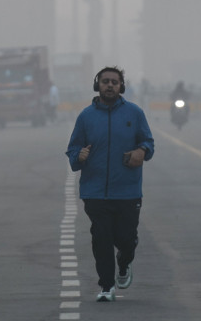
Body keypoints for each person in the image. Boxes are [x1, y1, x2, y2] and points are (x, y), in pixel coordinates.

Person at [66, 66, 154, 303]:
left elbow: (148, 142)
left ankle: (124, 263)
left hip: (127, 191)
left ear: (121, 86)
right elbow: (73, 148)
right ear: (98, 85)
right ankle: (106, 286)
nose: (110, 85)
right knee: (101, 238)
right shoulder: (86, 117)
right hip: (95, 192)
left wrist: (142, 151)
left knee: (125, 239)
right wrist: (79, 157)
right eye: (105, 81)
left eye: (115, 82)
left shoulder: (134, 114)